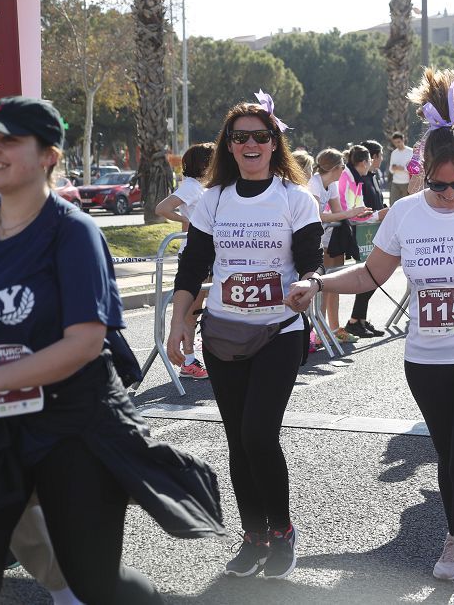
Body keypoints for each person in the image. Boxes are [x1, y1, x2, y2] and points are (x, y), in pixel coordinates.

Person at [286, 69, 454, 605]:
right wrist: (318, 282)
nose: (449, 194)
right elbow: (370, 276)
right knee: (446, 456)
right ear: (422, 176)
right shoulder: (405, 214)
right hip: (427, 360)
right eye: (438, 184)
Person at [0, 96, 224, 603]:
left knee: (94, 577)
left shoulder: (72, 232)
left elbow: (84, 343)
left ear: (49, 154)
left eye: (8, 140)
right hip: (0, 424)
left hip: (72, 421)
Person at [167, 95, 322, 580]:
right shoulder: (211, 200)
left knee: (259, 433)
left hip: (279, 330)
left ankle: (282, 532)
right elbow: (192, 266)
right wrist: (178, 325)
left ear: (275, 144)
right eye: (241, 137)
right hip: (222, 333)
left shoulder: (297, 199)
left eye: (261, 136)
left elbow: (310, 258)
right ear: (228, 147)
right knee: (237, 440)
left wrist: (308, 283)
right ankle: (253, 535)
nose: (251, 144)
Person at [155, 141, 215, 379]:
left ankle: (194, 355)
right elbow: (162, 208)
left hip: (211, 253)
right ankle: (188, 361)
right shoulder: (191, 186)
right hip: (194, 255)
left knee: (202, 309)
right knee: (192, 310)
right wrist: (188, 224)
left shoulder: (204, 186)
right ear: (204, 163)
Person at [308, 149, 372, 351]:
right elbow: (318, 215)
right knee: (320, 285)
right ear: (335, 168)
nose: (344, 170)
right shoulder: (314, 183)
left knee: (333, 283)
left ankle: (333, 328)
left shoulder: (332, 183)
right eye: (343, 166)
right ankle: (318, 330)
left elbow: (337, 213)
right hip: (315, 240)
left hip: (330, 237)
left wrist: (356, 214)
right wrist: (349, 213)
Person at [344, 140, 390, 338]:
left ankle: (360, 319)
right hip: (363, 232)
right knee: (369, 276)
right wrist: (378, 215)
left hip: (375, 229)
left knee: (373, 277)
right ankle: (354, 320)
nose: (378, 160)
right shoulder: (357, 178)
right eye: (377, 156)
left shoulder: (371, 176)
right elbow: (357, 208)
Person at [388, 132, 413, 206]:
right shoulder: (394, 153)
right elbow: (390, 169)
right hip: (395, 182)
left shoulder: (411, 152)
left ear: (403, 140)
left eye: (399, 142)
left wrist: (403, 168)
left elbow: (415, 168)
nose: (397, 144)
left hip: (407, 183)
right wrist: (393, 168)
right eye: (395, 143)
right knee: (393, 205)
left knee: (406, 206)